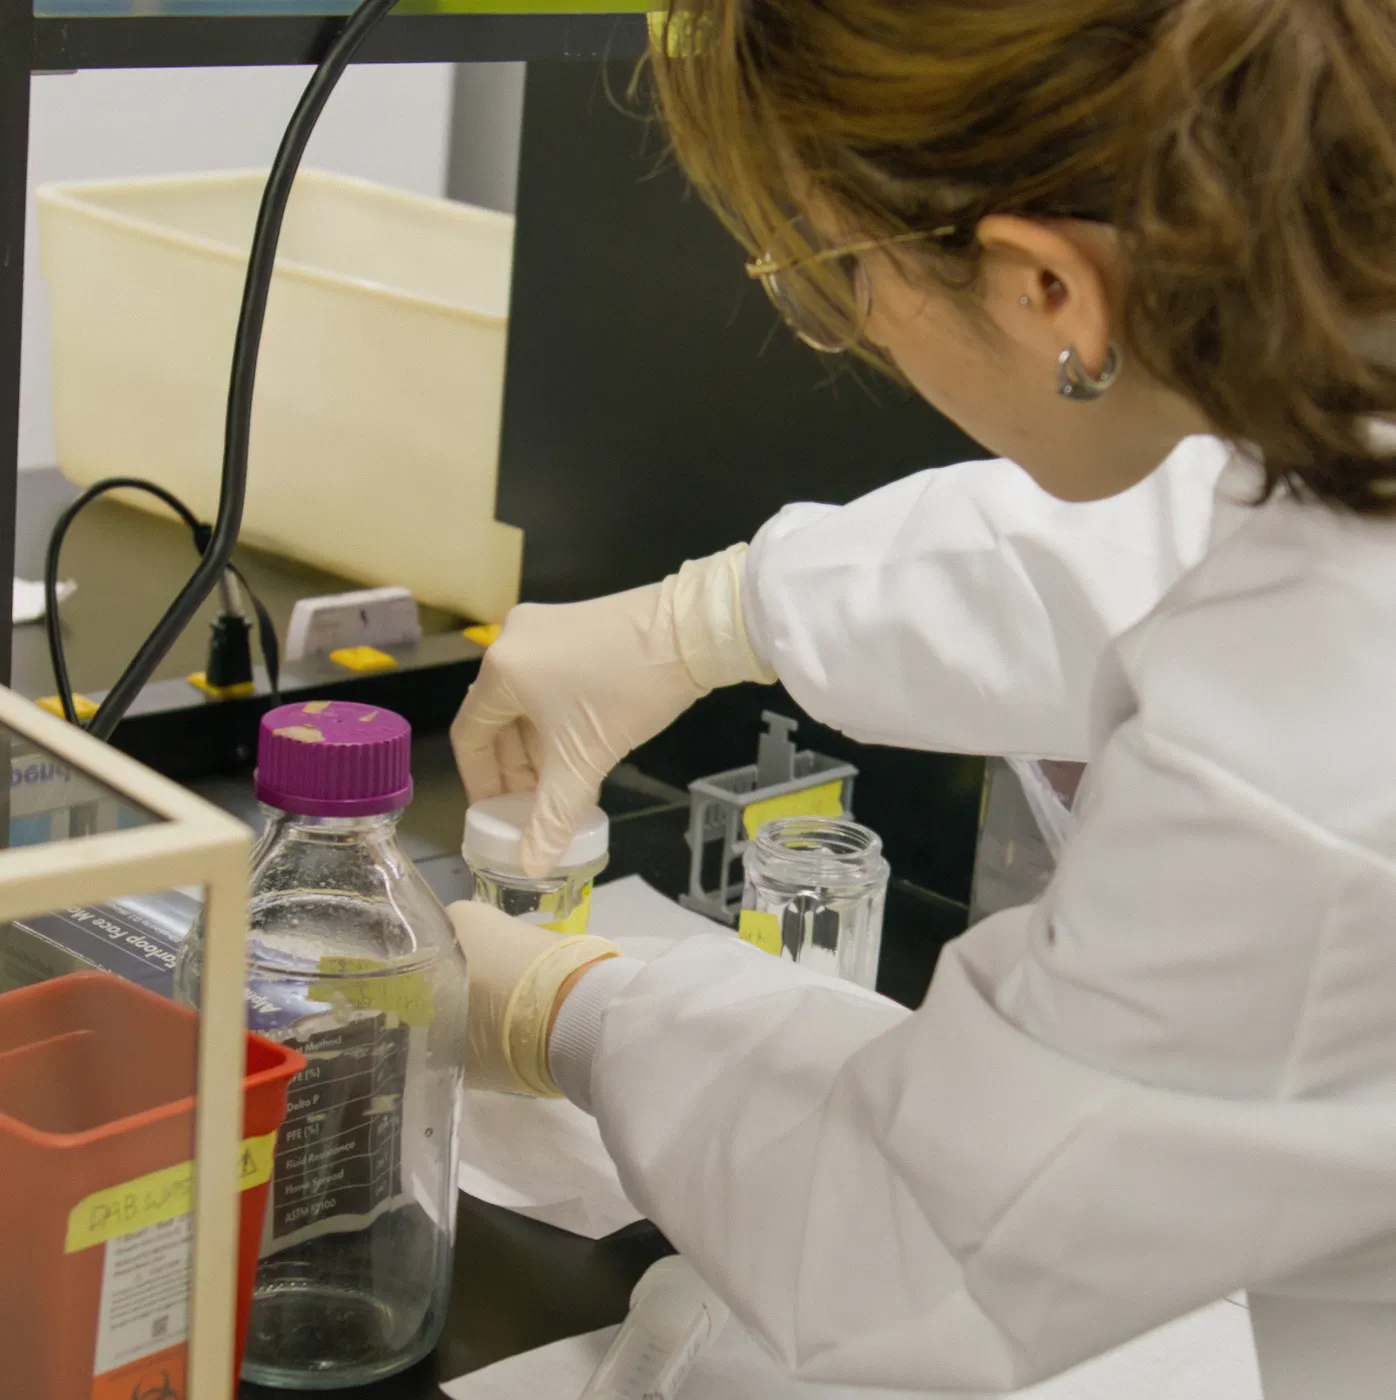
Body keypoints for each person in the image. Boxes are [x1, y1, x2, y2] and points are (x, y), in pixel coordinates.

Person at [448, 1, 1396, 1395]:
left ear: (1048, 290)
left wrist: (579, 1009)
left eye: (832, 281)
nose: (847, 320)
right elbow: (1204, 525)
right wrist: (714, 615)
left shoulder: (1313, 752)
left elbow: (917, 1254)